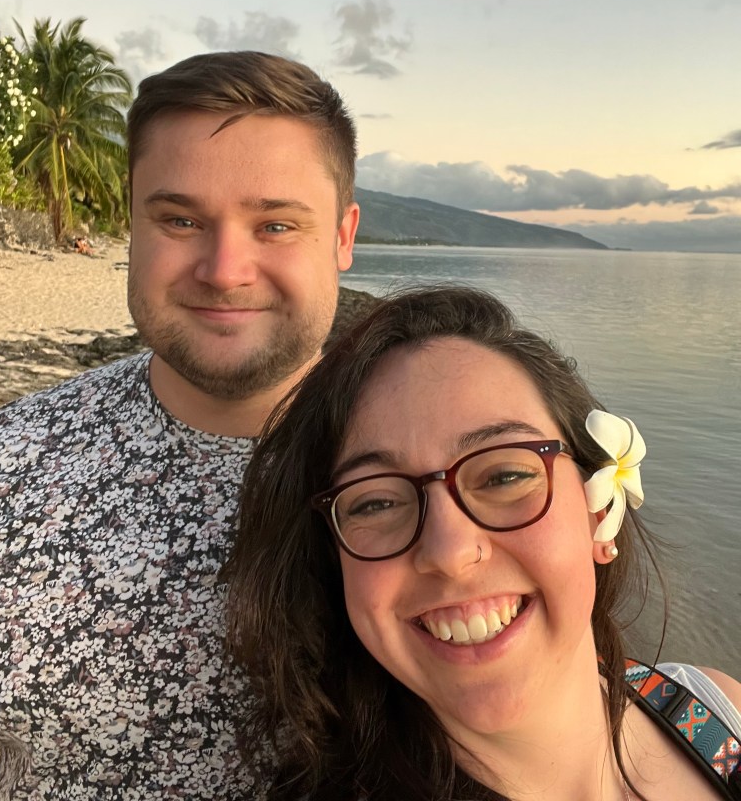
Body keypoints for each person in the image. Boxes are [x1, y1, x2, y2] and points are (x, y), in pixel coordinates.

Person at [0, 51, 360, 799]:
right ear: (132, 228)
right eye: (180, 219)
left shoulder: (443, 481)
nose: (224, 268)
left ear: (342, 238)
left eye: (276, 224)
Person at [228, 286, 741, 801]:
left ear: (599, 512)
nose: (449, 553)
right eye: (376, 503)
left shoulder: (717, 712)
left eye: (503, 476)